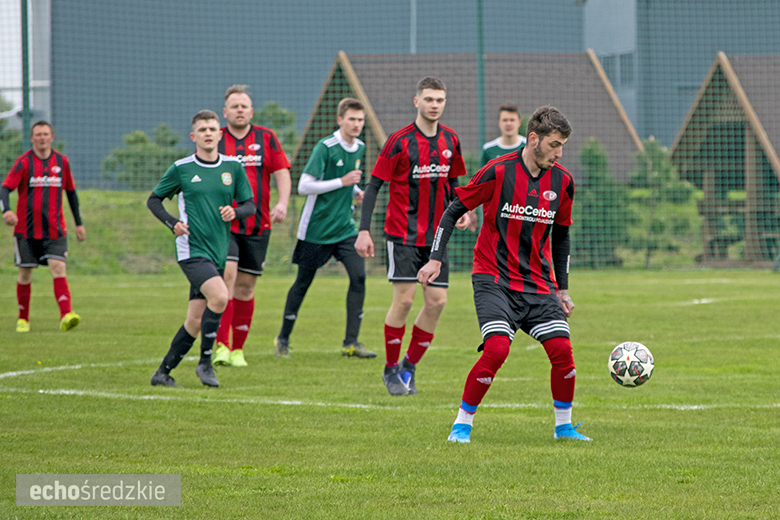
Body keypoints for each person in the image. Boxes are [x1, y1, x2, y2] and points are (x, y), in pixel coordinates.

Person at [417, 106, 592, 442]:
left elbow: (561, 235)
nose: (559, 153)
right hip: (494, 278)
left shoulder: (563, 182)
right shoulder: (498, 171)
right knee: (497, 349)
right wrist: (435, 259)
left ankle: (564, 427)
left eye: (562, 146)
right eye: (554, 145)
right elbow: (453, 210)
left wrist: (563, 289)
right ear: (533, 139)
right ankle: (461, 425)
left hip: (538, 283)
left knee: (563, 351)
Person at [355, 77, 471, 396]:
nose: (435, 105)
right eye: (429, 99)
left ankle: (409, 367)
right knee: (405, 300)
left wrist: (463, 210)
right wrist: (364, 231)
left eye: (440, 100)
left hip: (437, 237)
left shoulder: (451, 140)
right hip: (402, 234)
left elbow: (454, 183)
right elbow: (374, 186)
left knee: (437, 302)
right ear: (416, 101)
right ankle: (390, 369)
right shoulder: (399, 141)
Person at [147, 110, 255, 388]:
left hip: (218, 250)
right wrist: (173, 223)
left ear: (220, 134)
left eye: (212, 129)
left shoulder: (233, 167)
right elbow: (154, 200)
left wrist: (235, 211)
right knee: (220, 296)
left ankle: (162, 373)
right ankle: (205, 363)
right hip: (191, 249)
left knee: (195, 320)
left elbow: (250, 205)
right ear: (193, 136)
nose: (208, 133)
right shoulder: (182, 168)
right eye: (202, 129)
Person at [275, 98, 376, 359]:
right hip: (316, 230)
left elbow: (348, 182)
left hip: (345, 229)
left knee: (359, 277)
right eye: (352, 119)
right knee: (303, 283)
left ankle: (351, 343)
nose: (356, 124)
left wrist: (355, 191)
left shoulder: (360, 147)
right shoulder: (325, 147)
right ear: (340, 120)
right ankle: (283, 338)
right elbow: (304, 186)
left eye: (360, 120)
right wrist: (342, 182)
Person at [212, 85, 291, 366]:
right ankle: (221, 345)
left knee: (245, 287)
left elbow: (281, 171)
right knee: (227, 277)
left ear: (252, 111)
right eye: (234, 106)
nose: (240, 110)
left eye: (244, 106)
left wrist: (283, 203)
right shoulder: (216, 139)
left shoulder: (266, 138)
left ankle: (238, 350)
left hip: (258, 225)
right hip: (224, 224)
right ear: (225, 112)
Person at [1, 121, 85, 333]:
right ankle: (23, 319)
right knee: (25, 274)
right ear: (31, 138)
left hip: (55, 229)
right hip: (26, 231)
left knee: (58, 268)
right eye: (38, 134)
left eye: (45, 134)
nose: (42, 138)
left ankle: (66, 315)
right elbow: (5, 189)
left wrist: (79, 223)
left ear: (52, 137)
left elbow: (71, 193)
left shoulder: (61, 161)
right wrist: (6, 211)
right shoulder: (23, 162)